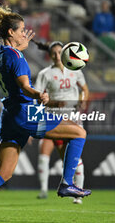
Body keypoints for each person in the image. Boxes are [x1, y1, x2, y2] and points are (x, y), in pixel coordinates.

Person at [0, 2, 91, 220]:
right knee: (79, 132)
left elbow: (13, 74)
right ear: (11, 32)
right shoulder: (16, 58)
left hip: (10, 116)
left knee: (3, 172)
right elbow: (25, 86)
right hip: (26, 113)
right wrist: (38, 95)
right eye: (21, 30)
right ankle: (67, 184)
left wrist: (18, 48)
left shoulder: (0, 53)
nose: (24, 34)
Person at [34, 41, 89, 204]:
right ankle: (44, 189)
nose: (57, 55)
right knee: (49, 155)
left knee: (73, 157)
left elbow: (85, 90)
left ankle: (77, 194)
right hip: (53, 119)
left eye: (60, 52)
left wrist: (83, 100)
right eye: (54, 53)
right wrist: (52, 103)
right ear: (50, 55)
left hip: (71, 117)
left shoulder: (76, 70)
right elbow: (37, 98)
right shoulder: (45, 74)